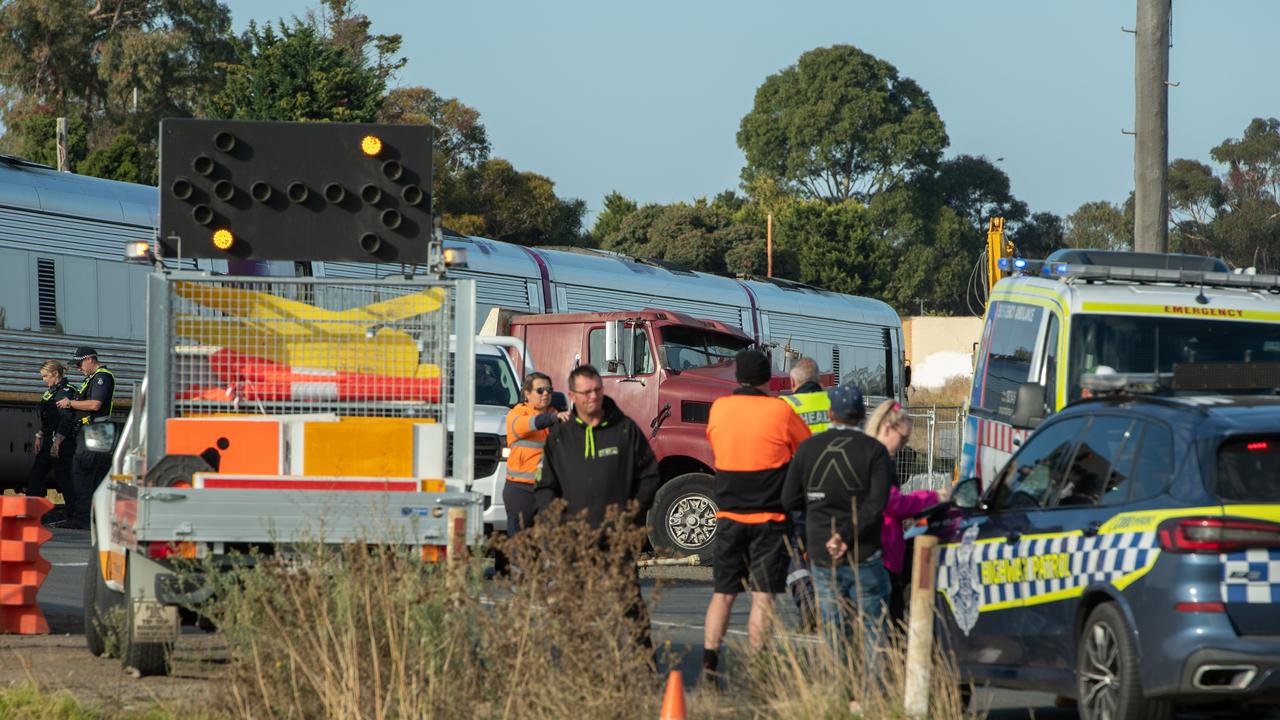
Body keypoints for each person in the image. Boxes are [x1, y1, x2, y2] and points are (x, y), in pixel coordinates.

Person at [535, 365, 662, 649]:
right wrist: (557, 524)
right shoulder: (560, 438)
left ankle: (645, 665)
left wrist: (632, 514)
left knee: (628, 602)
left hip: (617, 537)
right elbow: (545, 488)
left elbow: (650, 475)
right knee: (574, 606)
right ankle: (581, 665)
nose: (594, 397)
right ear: (572, 395)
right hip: (574, 539)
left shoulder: (625, 429)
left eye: (598, 390)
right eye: (587, 392)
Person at [702, 349, 811, 677]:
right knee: (763, 598)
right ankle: (756, 668)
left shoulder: (719, 408)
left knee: (723, 595)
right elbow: (804, 450)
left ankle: (709, 664)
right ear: (768, 378)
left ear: (737, 377)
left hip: (729, 517)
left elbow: (716, 443)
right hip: (769, 519)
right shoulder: (780, 410)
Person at [781, 384, 892, 661]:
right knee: (872, 628)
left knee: (833, 627)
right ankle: (870, 695)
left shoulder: (807, 448)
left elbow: (788, 499)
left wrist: (813, 525)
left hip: (821, 551)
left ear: (830, 413)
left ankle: (840, 691)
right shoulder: (875, 450)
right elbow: (877, 503)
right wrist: (846, 534)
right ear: (863, 413)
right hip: (864, 550)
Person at [864, 400, 949, 624]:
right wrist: (934, 497)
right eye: (903, 438)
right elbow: (893, 504)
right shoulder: (878, 459)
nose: (904, 445)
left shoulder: (869, 455)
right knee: (887, 622)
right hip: (882, 549)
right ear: (887, 428)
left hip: (880, 547)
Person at [780, 356, 828, 629]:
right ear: (819, 380)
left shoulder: (785, 406)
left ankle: (808, 603)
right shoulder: (834, 404)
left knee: (796, 552)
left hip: (798, 491)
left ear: (793, 382)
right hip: (833, 491)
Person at [54, 347, 115, 530]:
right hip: (90, 430)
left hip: (95, 430)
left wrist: (70, 403)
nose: (79, 369)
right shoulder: (92, 377)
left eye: (80, 364)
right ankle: (91, 517)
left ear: (89, 359)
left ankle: (83, 519)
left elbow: (96, 404)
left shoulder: (102, 377)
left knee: (82, 474)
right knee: (89, 476)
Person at [503, 372, 569, 536]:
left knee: (552, 543)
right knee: (520, 544)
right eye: (540, 390)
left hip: (549, 490)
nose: (546, 393)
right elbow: (529, 424)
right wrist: (553, 418)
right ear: (527, 393)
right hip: (520, 489)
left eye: (549, 390)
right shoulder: (516, 415)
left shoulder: (560, 418)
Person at [29, 361, 76, 519]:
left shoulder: (65, 392)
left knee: (64, 478)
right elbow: (50, 419)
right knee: (36, 476)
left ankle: (74, 515)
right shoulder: (51, 391)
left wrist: (57, 442)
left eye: (45, 376)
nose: (43, 380)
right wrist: (40, 435)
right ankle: (33, 512)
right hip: (49, 440)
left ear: (56, 374)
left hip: (60, 443)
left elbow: (65, 419)